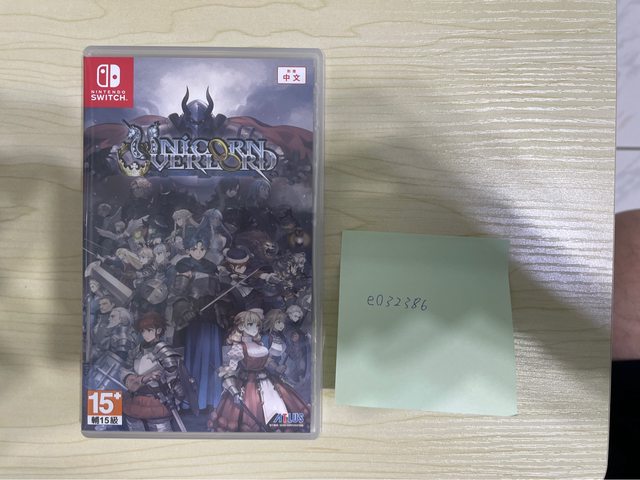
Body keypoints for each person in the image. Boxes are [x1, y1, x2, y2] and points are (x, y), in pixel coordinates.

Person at [208, 309, 309, 432]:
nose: (255, 328)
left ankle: (279, 425)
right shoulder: (238, 347)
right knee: (251, 413)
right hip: (247, 384)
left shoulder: (259, 344)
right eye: (250, 324)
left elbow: (267, 361)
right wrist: (232, 388)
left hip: (268, 380)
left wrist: (276, 367)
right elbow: (230, 370)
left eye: (256, 325)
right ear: (241, 326)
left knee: (281, 408)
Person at [121, 312, 185, 432]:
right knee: (135, 434)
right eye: (143, 331)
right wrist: (135, 380)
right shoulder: (136, 350)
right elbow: (125, 370)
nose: (145, 334)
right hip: (136, 397)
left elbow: (174, 379)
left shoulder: (164, 351)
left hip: (158, 399)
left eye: (149, 330)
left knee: (161, 434)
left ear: (158, 330)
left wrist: (176, 397)